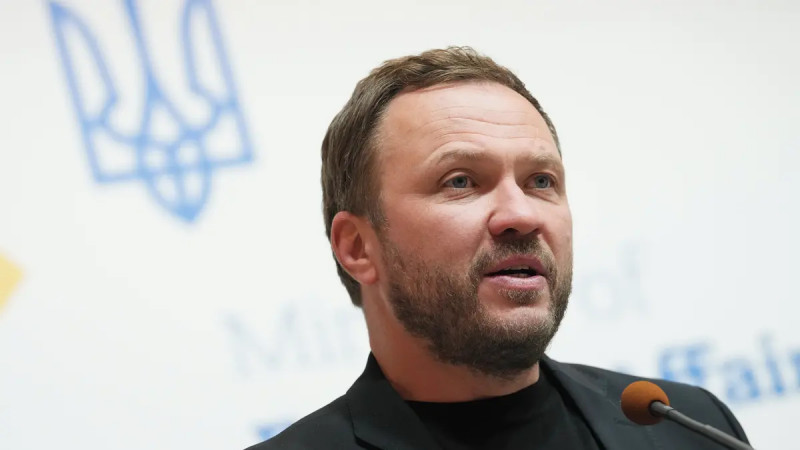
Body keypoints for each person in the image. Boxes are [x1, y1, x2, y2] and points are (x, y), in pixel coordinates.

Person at [249, 47, 749, 450]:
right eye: (460, 181)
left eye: (540, 181)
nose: (521, 215)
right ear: (358, 247)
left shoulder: (691, 427)